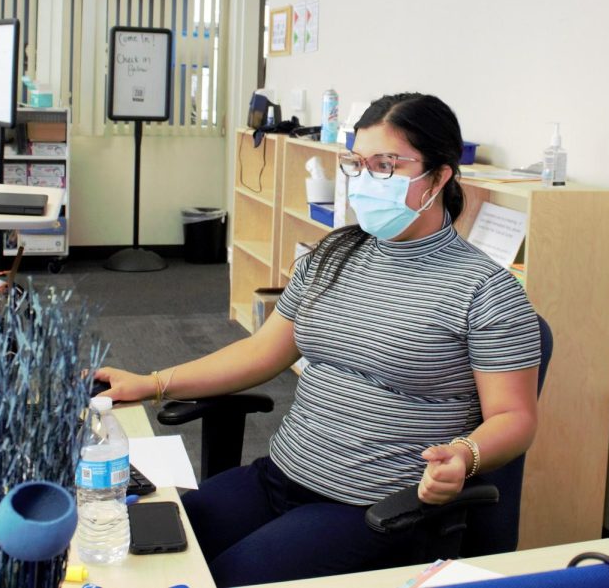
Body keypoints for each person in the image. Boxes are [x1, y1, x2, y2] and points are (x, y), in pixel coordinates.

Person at [95, 93, 541, 587]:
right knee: (146, 547)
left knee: (224, 578)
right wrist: (153, 383)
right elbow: (263, 350)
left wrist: (464, 455)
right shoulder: (333, 257)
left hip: (373, 507)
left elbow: (514, 417)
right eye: (359, 164)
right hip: (282, 476)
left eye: (386, 165)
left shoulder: (485, 291)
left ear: (438, 177)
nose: (367, 180)